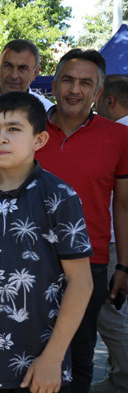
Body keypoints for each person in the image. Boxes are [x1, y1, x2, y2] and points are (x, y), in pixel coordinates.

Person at [0, 92, 94, 392]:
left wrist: (53, 358)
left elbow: (81, 283)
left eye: (14, 129)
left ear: (38, 140)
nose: (1, 138)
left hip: (39, 365)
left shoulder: (59, 197)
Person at [35, 49, 128, 392]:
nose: (75, 89)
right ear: (54, 84)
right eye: (68, 80)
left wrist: (125, 267)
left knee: (80, 356)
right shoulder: (28, 128)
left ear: (99, 93)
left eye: (86, 83)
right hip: (28, 260)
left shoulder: (119, 137)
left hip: (91, 265)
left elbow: (124, 205)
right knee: (23, 351)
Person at [91, 75, 128, 393]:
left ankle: (123, 375)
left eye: (97, 98)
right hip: (115, 238)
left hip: (115, 239)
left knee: (108, 313)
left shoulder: (120, 135)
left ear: (109, 101)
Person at [0, 39, 54, 113]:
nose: (14, 75)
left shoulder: (47, 111)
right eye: (8, 66)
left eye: (22, 68)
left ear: (35, 73)